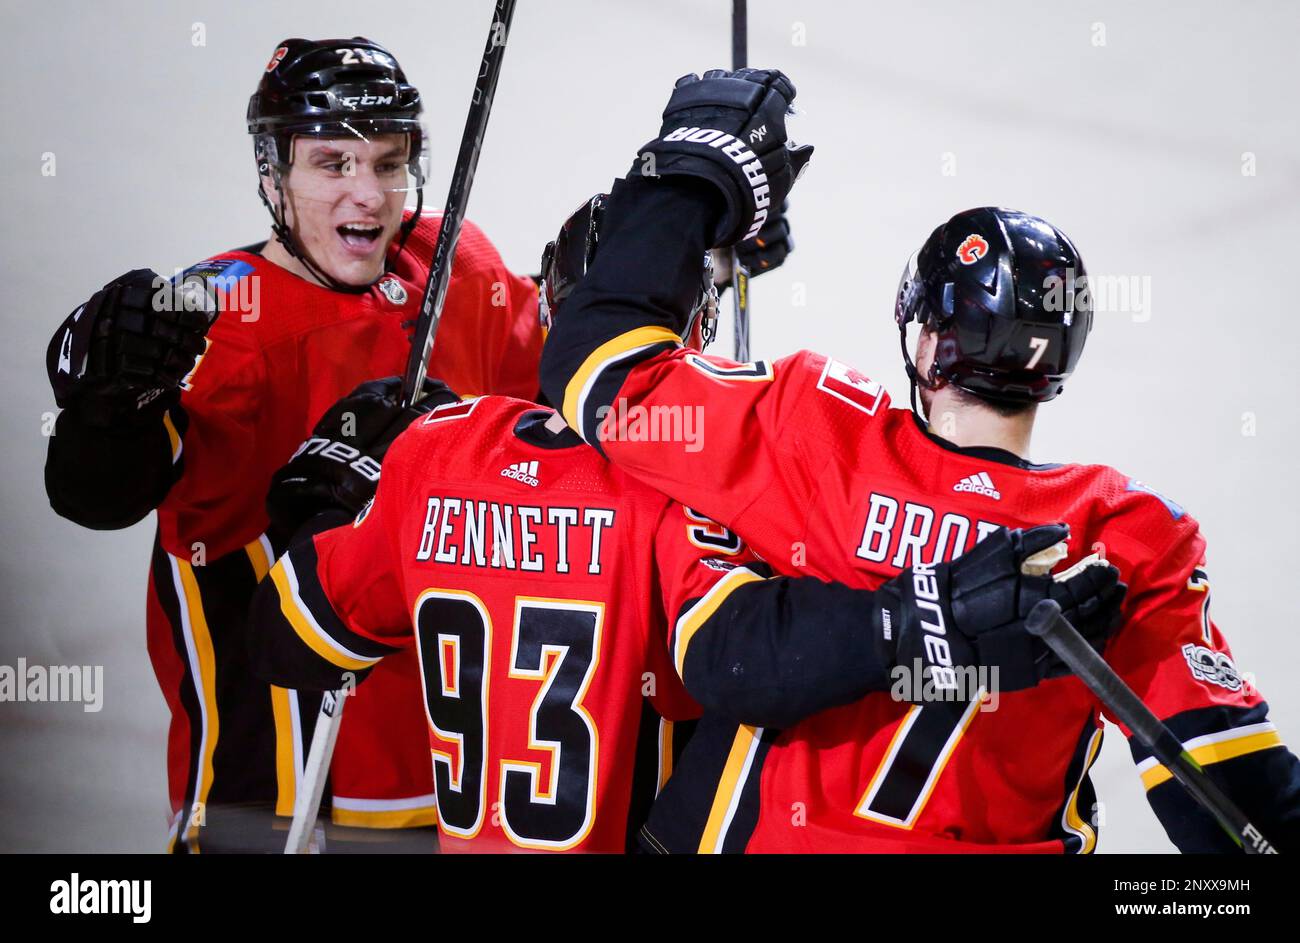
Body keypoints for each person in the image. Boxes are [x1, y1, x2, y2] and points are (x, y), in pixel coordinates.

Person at [539, 68, 1300, 852]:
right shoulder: (1124, 535)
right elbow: (1231, 787)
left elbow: (601, 372)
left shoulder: (817, 430)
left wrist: (696, 176)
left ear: (927, 342)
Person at [246, 195, 1121, 851]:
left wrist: (325, 505)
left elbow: (289, 643)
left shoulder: (435, 453)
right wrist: (928, 616)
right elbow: (753, 663)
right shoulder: (683, 489)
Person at [44, 37, 543, 852]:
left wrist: (639, 271)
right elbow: (98, 494)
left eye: (388, 162)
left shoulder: (458, 266)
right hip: (281, 795)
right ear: (274, 174)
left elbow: (564, 406)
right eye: (332, 163)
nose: (370, 193)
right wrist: (112, 409)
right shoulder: (208, 320)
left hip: (463, 772)